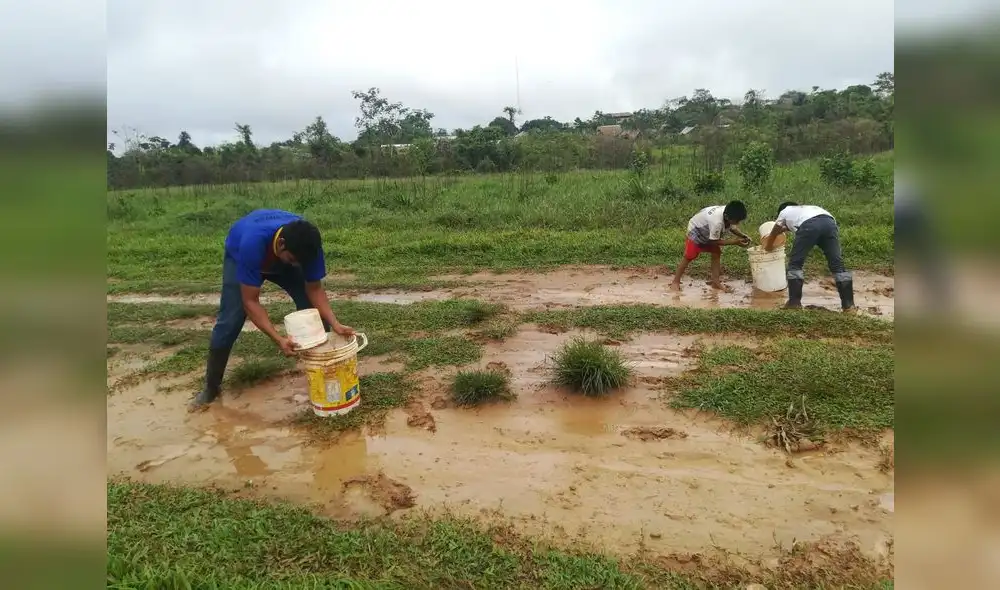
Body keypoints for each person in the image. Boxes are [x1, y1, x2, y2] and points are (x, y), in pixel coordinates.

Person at [188, 209, 356, 411]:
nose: (298, 266)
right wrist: (279, 339)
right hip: (242, 255)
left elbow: (314, 288)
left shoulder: (308, 246)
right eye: (294, 260)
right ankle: (211, 388)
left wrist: (335, 323)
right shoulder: (252, 244)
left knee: (316, 315)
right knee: (229, 322)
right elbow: (250, 301)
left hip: (278, 254)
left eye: (301, 263)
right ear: (282, 243)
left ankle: (320, 377)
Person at [762, 201, 855, 312]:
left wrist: (768, 246)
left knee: (795, 264)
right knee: (837, 265)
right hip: (829, 224)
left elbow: (775, 230)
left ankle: (794, 303)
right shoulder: (809, 209)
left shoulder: (785, 210)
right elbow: (814, 223)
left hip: (809, 226)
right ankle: (849, 306)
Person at [670, 200, 752, 290]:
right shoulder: (717, 222)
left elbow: (732, 228)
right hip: (696, 230)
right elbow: (714, 242)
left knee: (716, 253)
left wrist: (743, 235)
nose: (738, 223)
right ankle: (675, 281)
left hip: (708, 230)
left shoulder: (728, 212)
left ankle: (715, 282)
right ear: (726, 217)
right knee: (689, 256)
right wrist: (734, 242)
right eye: (737, 221)